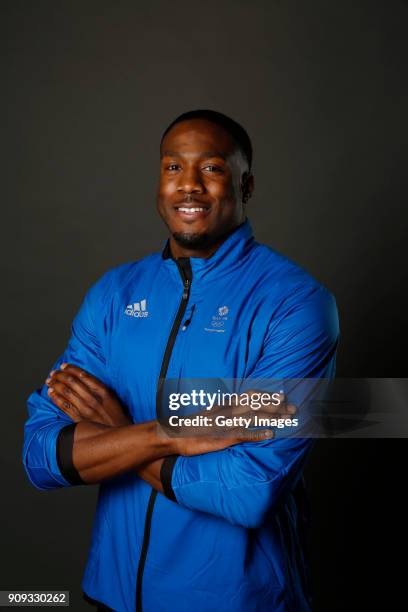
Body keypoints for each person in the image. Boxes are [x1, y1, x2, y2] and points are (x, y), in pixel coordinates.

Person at [23, 109, 339, 612]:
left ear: (246, 185)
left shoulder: (296, 304)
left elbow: (248, 491)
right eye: (173, 167)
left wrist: (115, 431)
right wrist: (164, 433)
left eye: (211, 168)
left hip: (235, 602)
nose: (188, 185)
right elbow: (43, 455)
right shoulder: (112, 294)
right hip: (112, 594)